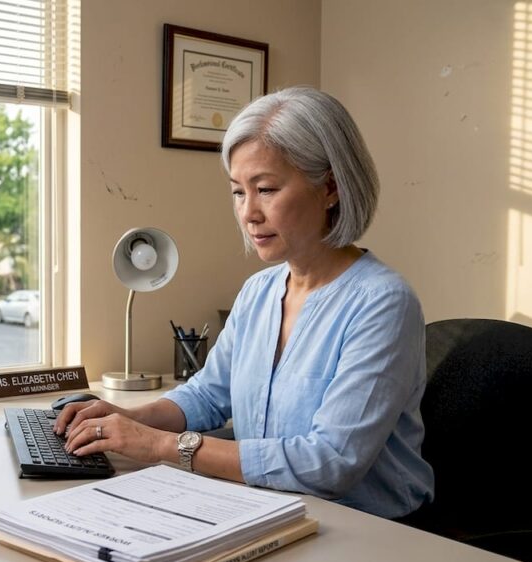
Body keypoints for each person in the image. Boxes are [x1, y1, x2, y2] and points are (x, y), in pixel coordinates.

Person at [54, 86, 434, 519]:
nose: (249, 213)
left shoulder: (383, 303)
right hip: (266, 509)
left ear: (330, 187)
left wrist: (158, 445)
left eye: (266, 189)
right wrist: (127, 417)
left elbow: (330, 462)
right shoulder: (259, 291)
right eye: (238, 192)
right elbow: (208, 395)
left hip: (368, 529)